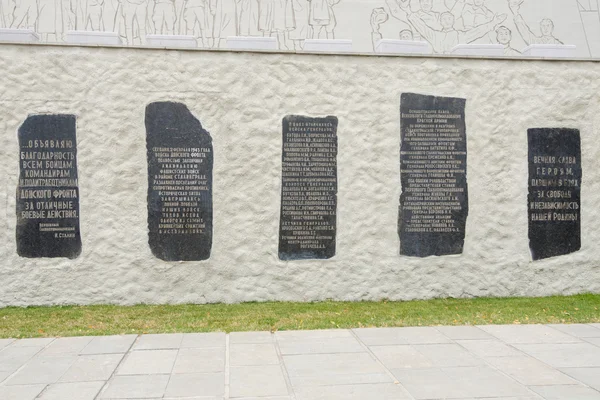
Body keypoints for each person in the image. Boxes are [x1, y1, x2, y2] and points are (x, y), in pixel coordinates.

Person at [391, 0, 506, 53]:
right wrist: (408, 11)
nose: (447, 21)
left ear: (453, 20)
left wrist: (493, 22)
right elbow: (421, 26)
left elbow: (478, 31)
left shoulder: (459, 35)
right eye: (444, 19)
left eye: (449, 18)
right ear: (440, 22)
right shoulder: (435, 35)